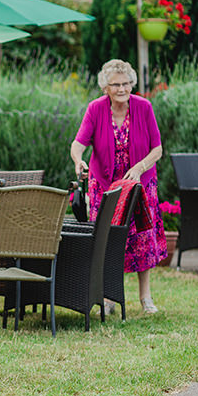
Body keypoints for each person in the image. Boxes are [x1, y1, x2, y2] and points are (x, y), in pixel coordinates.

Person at [71, 59, 164, 313]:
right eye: (116, 85)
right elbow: (78, 144)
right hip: (105, 184)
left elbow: (158, 149)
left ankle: (145, 297)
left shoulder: (144, 107)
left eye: (126, 84)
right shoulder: (95, 109)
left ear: (131, 84)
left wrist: (140, 168)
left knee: (142, 237)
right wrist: (79, 160)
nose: (122, 89)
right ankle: (109, 297)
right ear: (106, 88)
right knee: (107, 239)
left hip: (139, 184)